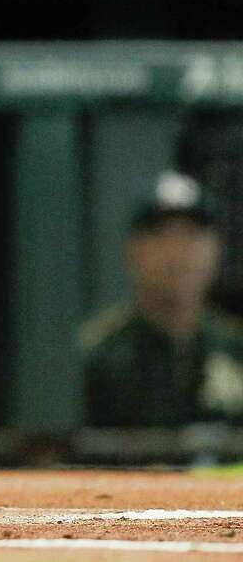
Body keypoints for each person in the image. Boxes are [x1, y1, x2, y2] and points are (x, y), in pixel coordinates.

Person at [82, 171, 243, 427]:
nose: (177, 251)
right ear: (133, 250)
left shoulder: (235, 349)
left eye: (192, 234)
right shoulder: (97, 357)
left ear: (216, 248)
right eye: (161, 234)